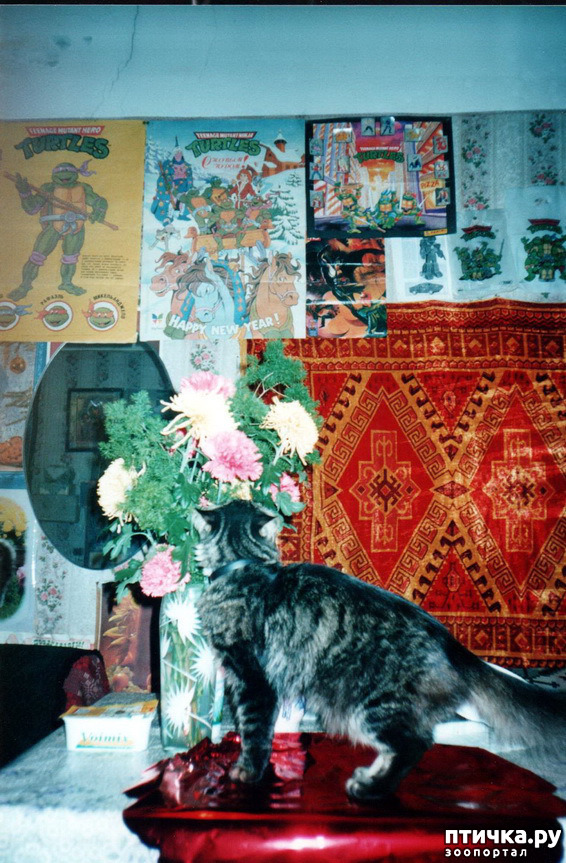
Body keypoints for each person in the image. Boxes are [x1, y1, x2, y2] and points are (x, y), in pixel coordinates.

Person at [10, 162, 108, 301]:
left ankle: (67, 283)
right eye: (60, 172)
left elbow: (97, 200)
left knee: (71, 258)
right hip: (53, 225)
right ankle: (24, 285)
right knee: (37, 256)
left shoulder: (84, 187)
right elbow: (32, 208)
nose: (64, 176)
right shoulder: (48, 188)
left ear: (75, 173)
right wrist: (25, 193)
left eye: (68, 172)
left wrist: (100, 207)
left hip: (76, 226)